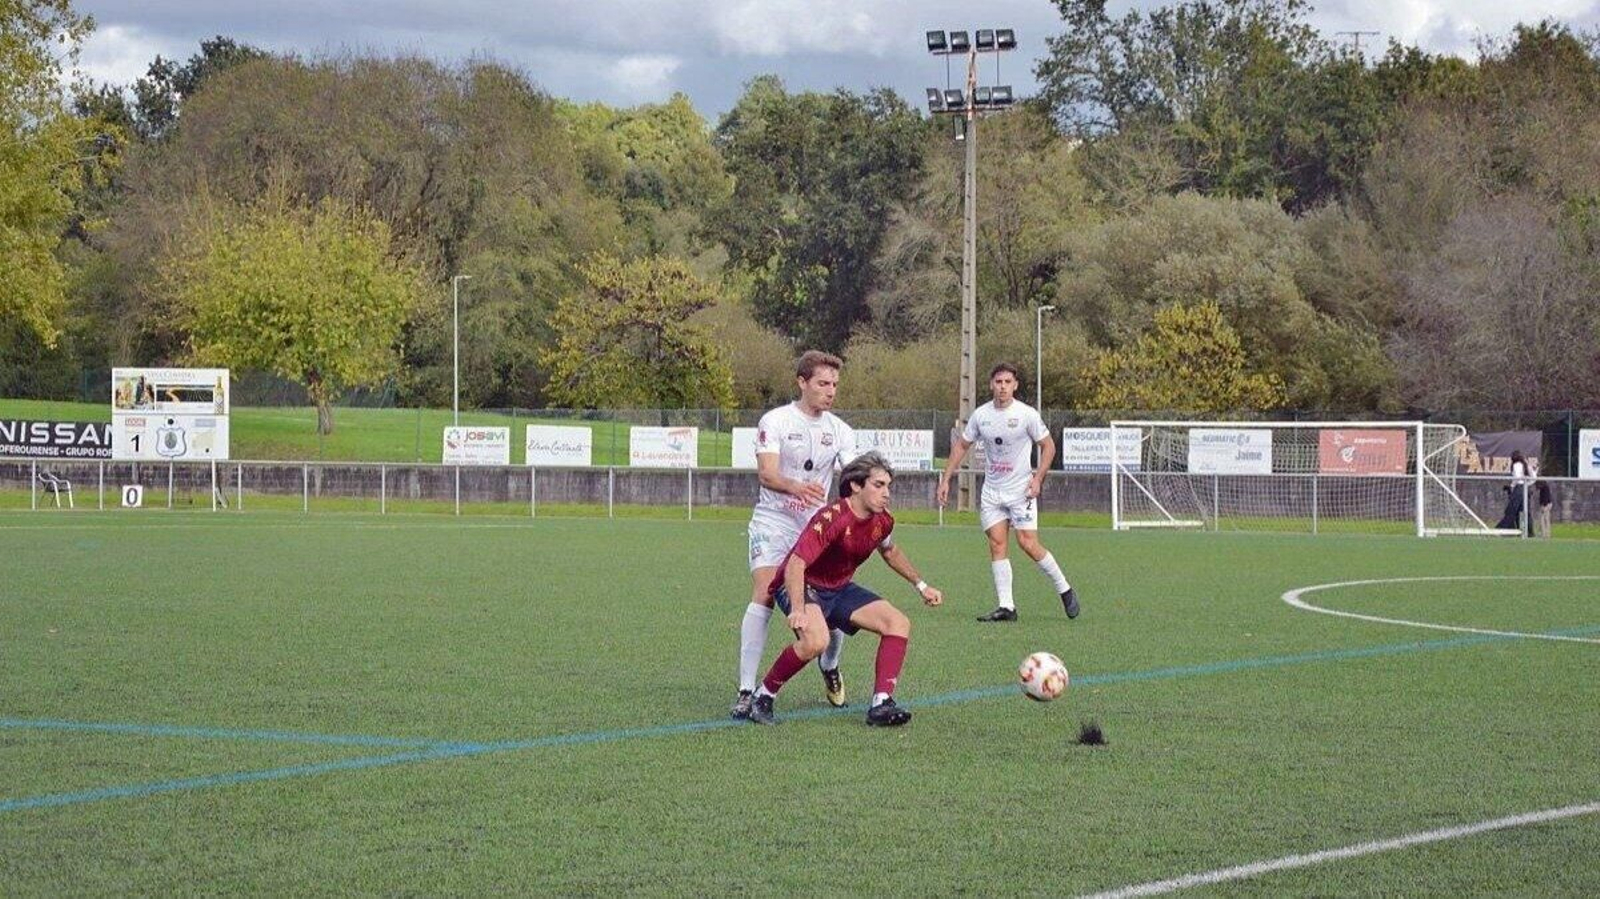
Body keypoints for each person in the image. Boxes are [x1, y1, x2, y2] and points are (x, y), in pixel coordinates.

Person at [747, 452, 943, 727]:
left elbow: (890, 551)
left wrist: (921, 585)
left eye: (888, 486)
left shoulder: (883, 520)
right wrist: (799, 608)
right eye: (878, 485)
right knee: (816, 641)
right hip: (803, 584)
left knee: (898, 623)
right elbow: (795, 564)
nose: (886, 493)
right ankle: (762, 696)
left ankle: (881, 704)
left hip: (838, 588)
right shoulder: (832, 517)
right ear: (856, 485)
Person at [732, 351, 857, 720]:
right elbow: (767, 474)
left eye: (834, 384)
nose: (830, 391)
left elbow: (850, 480)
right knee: (764, 592)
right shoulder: (776, 420)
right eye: (822, 383)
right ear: (802, 382)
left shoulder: (841, 431)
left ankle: (829, 665)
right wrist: (795, 487)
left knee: (831, 604)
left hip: (815, 530)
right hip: (774, 521)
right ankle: (745, 689)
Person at [936, 362, 1079, 623]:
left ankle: (1064, 588)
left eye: (1007, 382)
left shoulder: (1026, 415)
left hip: (1020, 491)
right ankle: (1007, 607)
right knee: (997, 544)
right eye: (998, 382)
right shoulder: (981, 415)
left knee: (1027, 543)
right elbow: (961, 446)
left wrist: (1038, 479)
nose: (1002, 387)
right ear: (991, 384)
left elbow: (1048, 446)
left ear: (1015, 385)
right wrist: (946, 479)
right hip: (992, 491)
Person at [1495, 450, 1534, 533]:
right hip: (1525, 489)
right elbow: (1534, 477)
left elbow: (1517, 477)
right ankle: (1528, 532)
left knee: (1511, 510)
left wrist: (1512, 486)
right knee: (1525, 511)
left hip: (1518, 489)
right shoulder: (1526, 464)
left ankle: (1504, 529)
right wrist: (1527, 484)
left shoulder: (1516, 465)